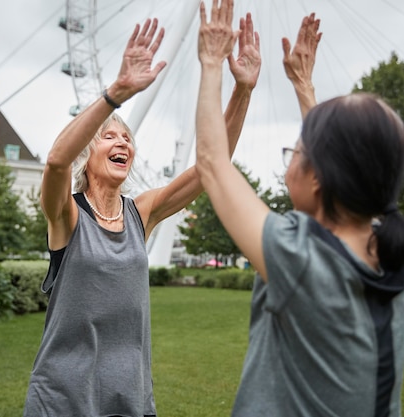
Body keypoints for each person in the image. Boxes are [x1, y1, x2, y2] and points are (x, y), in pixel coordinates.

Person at [23, 6, 261, 416]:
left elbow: (210, 167)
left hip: (129, 398)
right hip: (65, 399)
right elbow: (56, 163)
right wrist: (117, 93)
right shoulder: (67, 216)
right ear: (89, 152)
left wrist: (242, 90)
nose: (123, 143)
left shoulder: (141, 212)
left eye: (127, 138)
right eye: (109, 136)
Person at [195, 5, 404, 417]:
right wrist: (303, 87)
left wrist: (212, 61)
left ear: (317, 175)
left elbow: (213, 163)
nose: (290, 160)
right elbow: (344, 166)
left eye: (296, 151)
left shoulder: (300, 259)